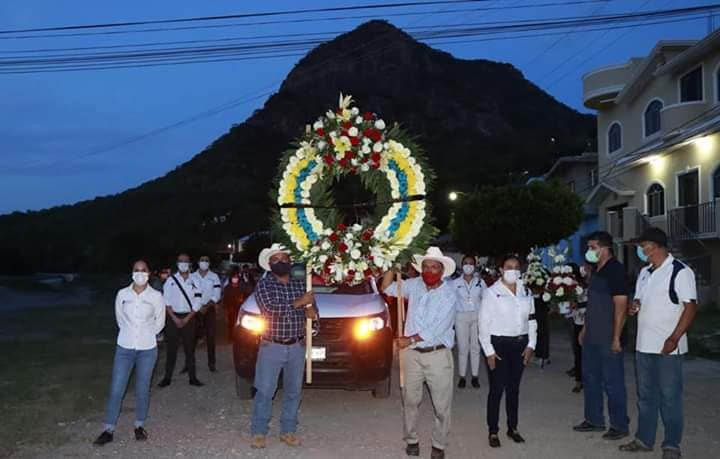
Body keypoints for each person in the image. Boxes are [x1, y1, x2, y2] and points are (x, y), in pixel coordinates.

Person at [620, 227, 698, 459]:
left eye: (644, 246)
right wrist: (635, 305)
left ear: (657, 247)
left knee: (670, 397)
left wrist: (674, 338)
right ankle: (644, 439)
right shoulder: (645, 272)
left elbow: (691, 306)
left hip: (668, 348)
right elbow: (639, 299)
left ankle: (671, 445)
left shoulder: (680, 272)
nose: (641, 251)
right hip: (644, 345)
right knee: (646, 396)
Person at [382, 246, 457, 459]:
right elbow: (387, 288)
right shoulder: (413, 285)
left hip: (437, 355)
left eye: (434, 267)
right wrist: (392, 265)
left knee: (442, 405)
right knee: (410, 400)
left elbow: (437, 328)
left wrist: (410, 339)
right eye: (426, 267)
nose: (430, 271)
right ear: (420, 268)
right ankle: (411, 439)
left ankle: (439, 444)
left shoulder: (449, 294)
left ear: (442, 271)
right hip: (412, 355)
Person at [250, 244, 319, 449]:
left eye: (284, 259)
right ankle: (259, 431)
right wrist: (300, 303)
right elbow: (270, 309)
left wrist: (312, 314)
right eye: (276, 260)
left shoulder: (301, 285)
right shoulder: (264, 285)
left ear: (290, 262)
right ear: (270, 265)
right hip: (273, 346)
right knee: (265, 391)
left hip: (297, 346)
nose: (281, 262)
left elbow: (314, 313)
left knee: (293, 391)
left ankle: (288, 430)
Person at [93, 260, 165, 446]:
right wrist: (131, 333)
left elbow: (160, 322)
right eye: (136, 270)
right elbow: (120, 319)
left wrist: (146, 334)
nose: (140, 273)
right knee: (117, 388)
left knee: (142, 389)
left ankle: (139, 425)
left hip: (147, 349)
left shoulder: (156, 296)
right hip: (124, 347)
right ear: (132, 272)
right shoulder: (122, 294)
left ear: (149, 273)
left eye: (143, 270)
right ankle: (108, 428)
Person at [573, 231, 630, 440]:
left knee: (613, 382)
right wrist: (585, 329)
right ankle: (594, 419)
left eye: (592, 247)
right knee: (591, 379)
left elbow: (621, 305)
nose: (589, 252)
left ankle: (619, 425)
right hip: (592, 337)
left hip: (608, 338)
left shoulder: (615, 270)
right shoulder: (597, 270)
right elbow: (592, 305)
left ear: (604, 248)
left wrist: (616, 337)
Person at [479, 253, 537, 448]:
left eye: (516, 267)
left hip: (520, 344)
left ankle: (513, 428)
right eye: (508, 267)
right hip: (499, 345)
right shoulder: (491, 292)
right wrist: (488, 352)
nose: (513, 270)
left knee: (514, 389)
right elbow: (483, 324)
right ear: (501, 270)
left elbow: (532, 320)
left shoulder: (526, 291)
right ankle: (493, 430)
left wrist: (531, 345)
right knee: (497, 389)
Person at [157, 253, 204, 388]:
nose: (183, 263)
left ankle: (193, 378)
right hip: (173, 318)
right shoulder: (170, 281)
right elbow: (166, 302)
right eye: (181, 261)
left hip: (189, 318)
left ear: (189, 264)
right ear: (177, 263)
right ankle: (167, 378)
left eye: (186, 261)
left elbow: (198, 301)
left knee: (190, 349)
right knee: (171, 349)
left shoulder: (195, 281)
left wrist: (187, 318)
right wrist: (175, 318)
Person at [451, 255, 486, 389]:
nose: (468, 266)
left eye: (471, 263)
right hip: (461, 317)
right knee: (463, 347)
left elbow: (485, 299)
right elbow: (452, 302)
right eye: (466, 263)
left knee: (476, 347)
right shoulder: (455, 283)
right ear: (461, 265)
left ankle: (475, 376)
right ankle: (462, 376)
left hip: (476, 316)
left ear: (475, 266)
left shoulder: (480, 282)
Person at [192, 256, 222, 372]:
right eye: (202, 260)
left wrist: (207, 305)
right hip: (195, 309)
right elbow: (190, 293)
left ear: (209, 263)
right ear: (198, 262)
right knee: (192, 337)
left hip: (209, 309)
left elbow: (217, 294)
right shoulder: (192, 276)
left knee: (211, 336)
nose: (204, 262)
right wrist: (198, 306)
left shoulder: (214, 277)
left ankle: (211, 363)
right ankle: (188, 363)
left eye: (206, 261)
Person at [569, 262, 590, 393]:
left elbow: (593, 302)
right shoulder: (572, 286)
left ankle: (590, 379)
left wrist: (579, 304)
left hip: (589, 321)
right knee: (578, 352)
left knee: (588, 353)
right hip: (577, 320)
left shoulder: (591, 284)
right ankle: (579, 380)